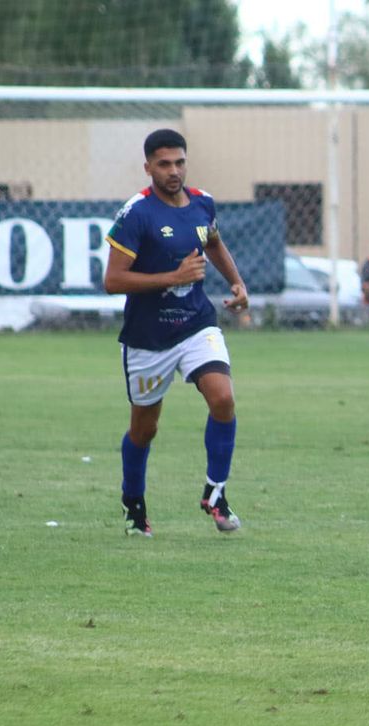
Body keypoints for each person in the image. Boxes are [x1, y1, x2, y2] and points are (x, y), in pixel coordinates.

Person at [103, 128, 248, 537]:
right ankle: (134, 503)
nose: (173, 171)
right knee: (144, 429)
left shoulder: (203, 203)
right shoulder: (136, 214)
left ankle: (216, 493)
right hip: (148, 338)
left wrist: (237, 283)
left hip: (195, 323)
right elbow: (113, 281)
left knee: (223, 398)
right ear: (148, 167)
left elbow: (213, 241)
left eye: (179, 162)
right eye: (164, 164)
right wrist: (174, 275)